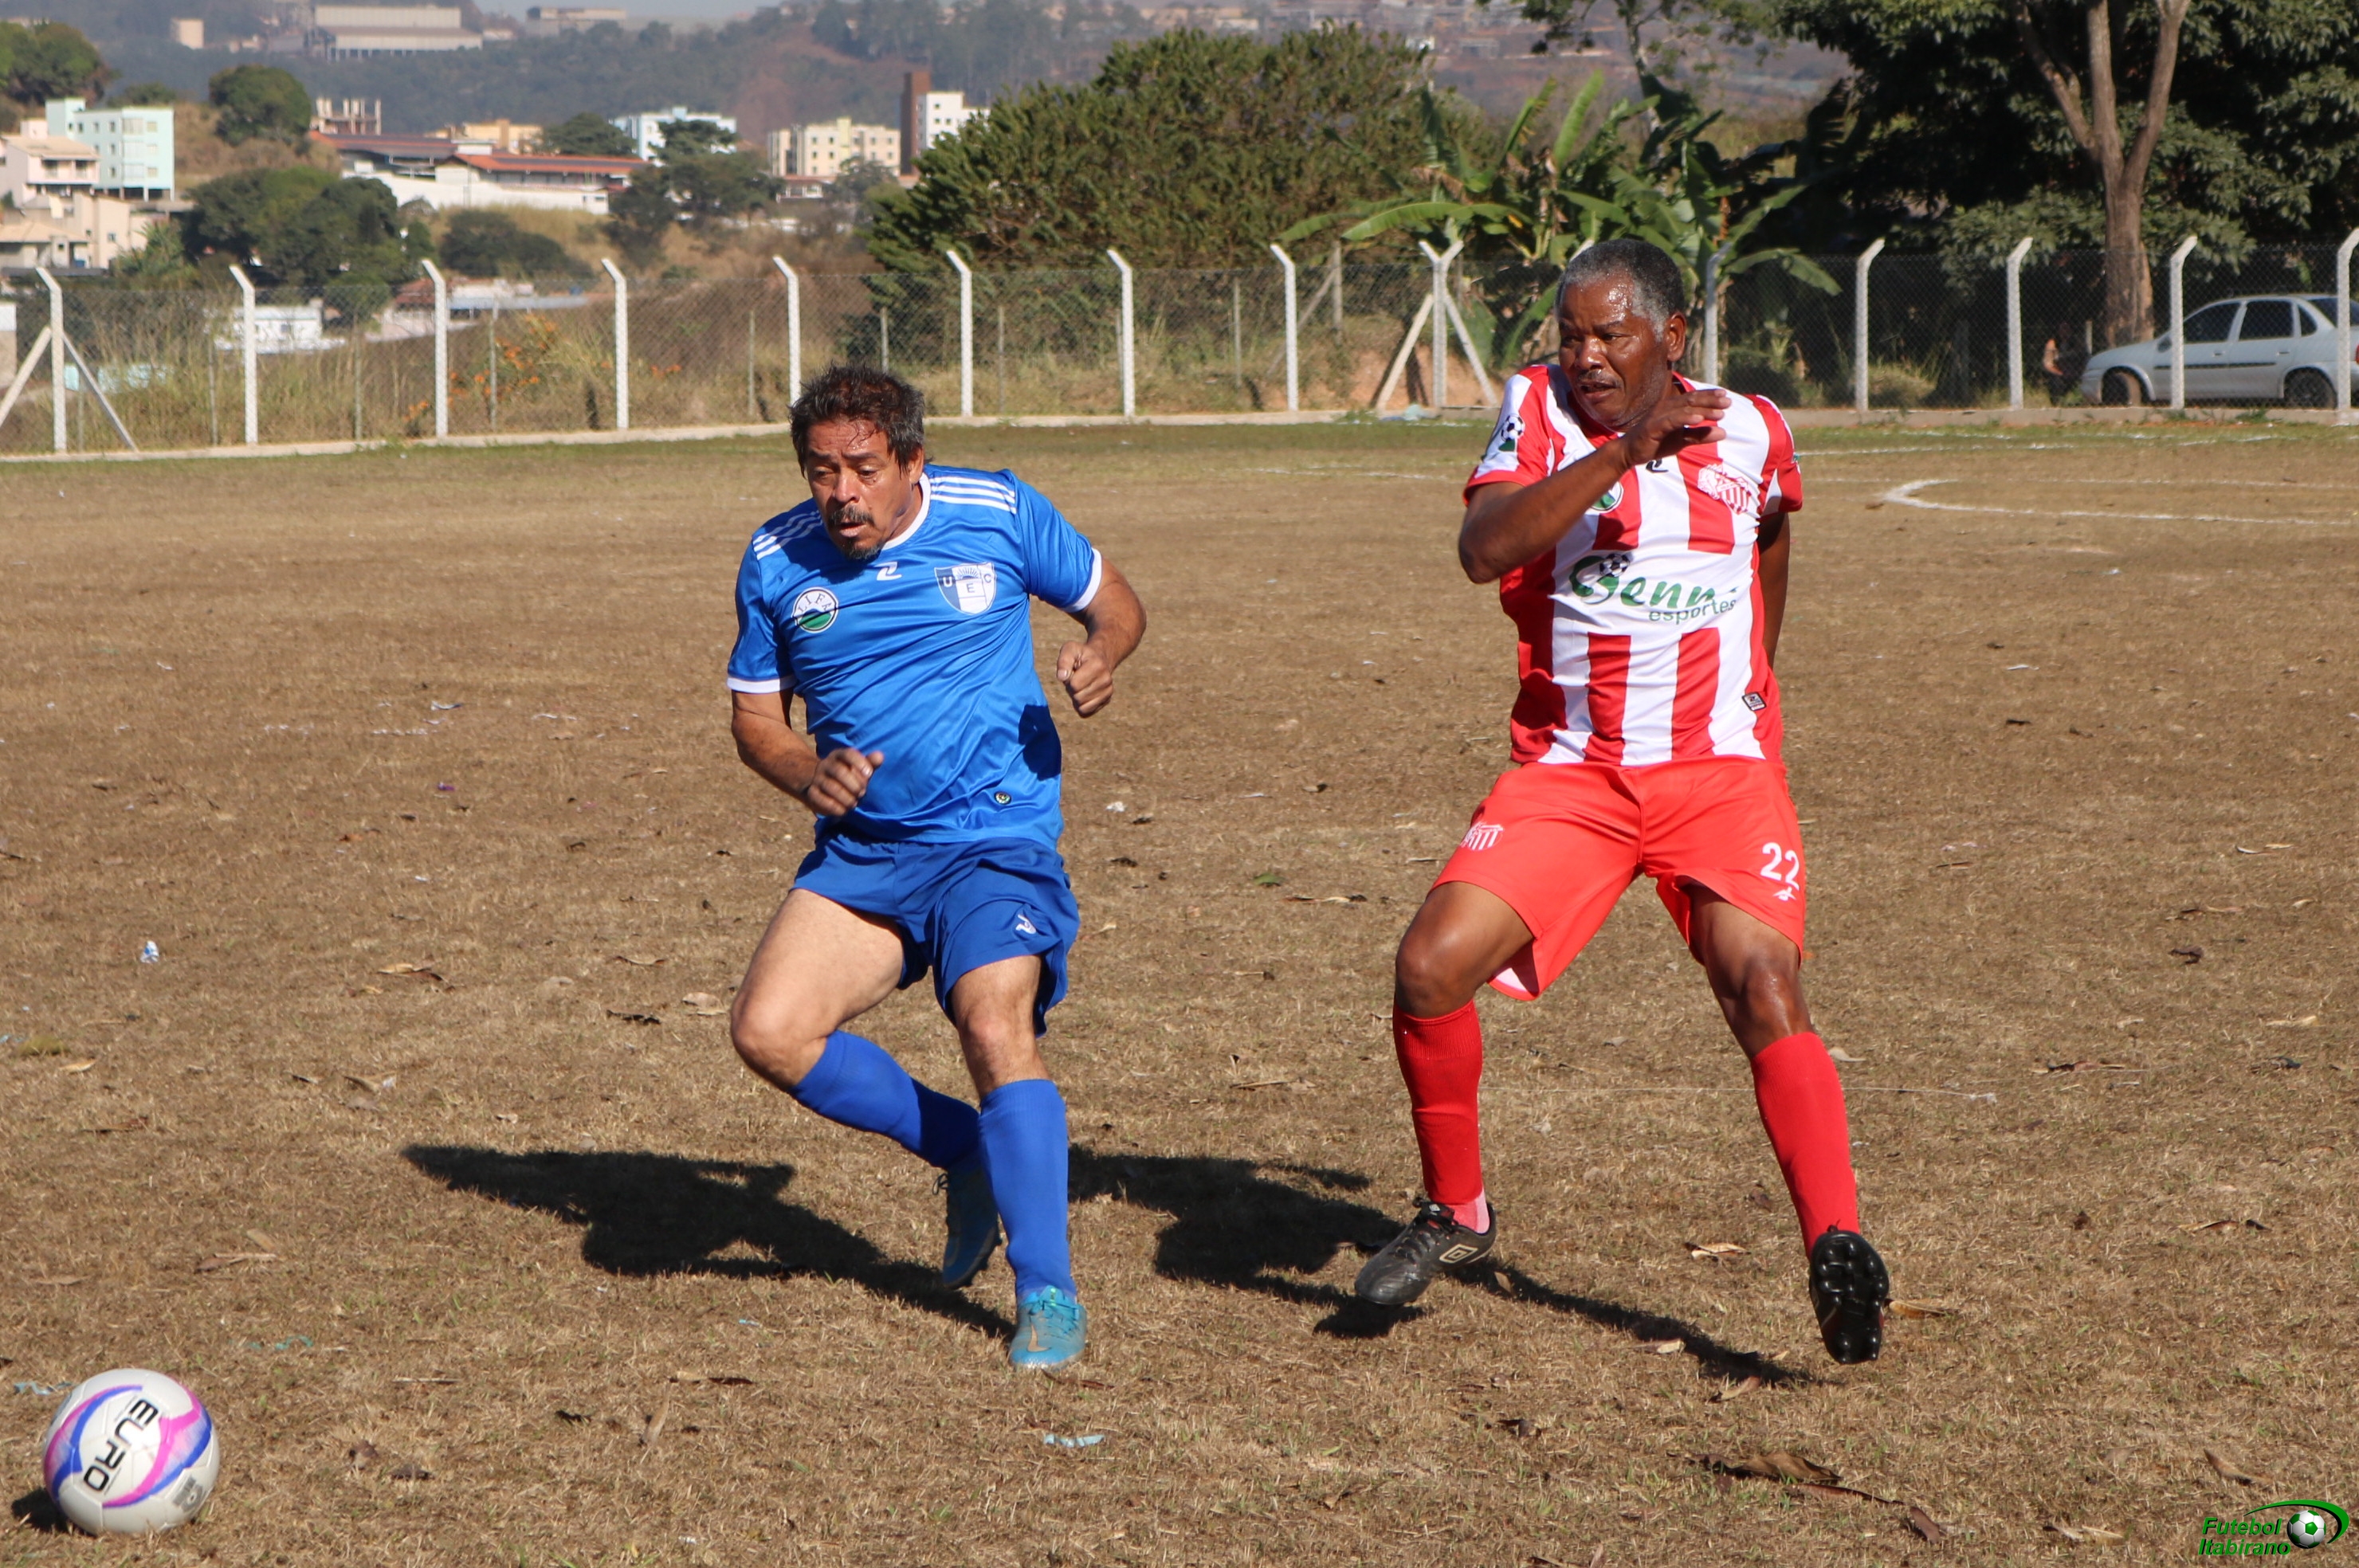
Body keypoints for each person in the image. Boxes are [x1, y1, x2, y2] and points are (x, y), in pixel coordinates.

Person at [1353, 239, 1890, 1364]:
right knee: (1429, 967)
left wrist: (1756, 682)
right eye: (1571, 336)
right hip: (1574, 774)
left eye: (1611, 334)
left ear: (1671, 335)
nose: (1586, 355)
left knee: (1763, 984)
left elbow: (1771, 535)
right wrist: (1619, 455)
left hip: (1717, 776)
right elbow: (1482, 548)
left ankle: (1837, 1247)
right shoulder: (1536, 413)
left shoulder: (1753, 429)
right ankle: (1457, 1210)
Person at [724, 365, 1145, 1370]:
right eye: (820, 471)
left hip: (995, 835)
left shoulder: (997, 510)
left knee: (992, 1024)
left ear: (913, 461)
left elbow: (1115, 602)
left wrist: (1103, 652)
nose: (841, 493)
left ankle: (1046, 1292)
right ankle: (963, 1147)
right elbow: (754, 720)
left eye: (864, 469)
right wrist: (807, 772)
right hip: (869, 849)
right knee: (769, 1031)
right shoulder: (775, 558)